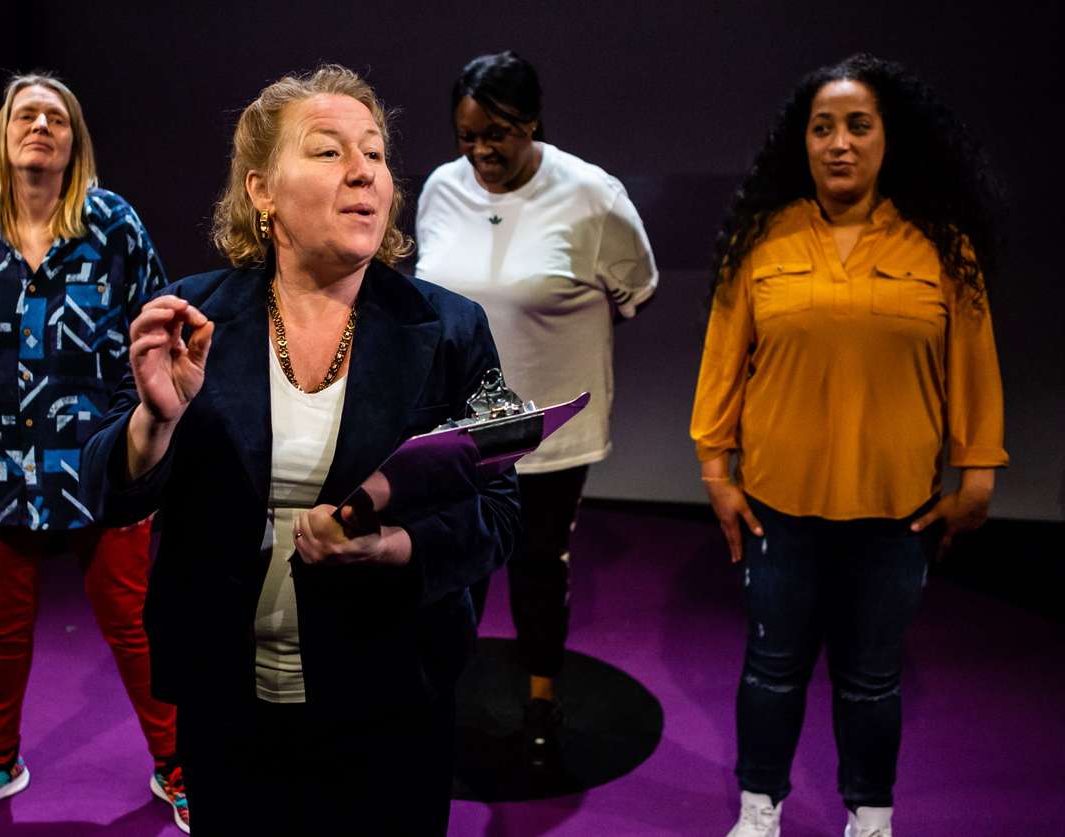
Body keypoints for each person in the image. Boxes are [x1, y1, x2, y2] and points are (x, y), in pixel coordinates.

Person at [79, 65, 520, 836]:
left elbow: (500, 507)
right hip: (228, 702)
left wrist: (398, 546)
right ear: (261, 192)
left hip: (393, 699)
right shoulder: (191, 315)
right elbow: (111, 487)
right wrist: (157, 420)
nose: (364, 172)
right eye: (328, 151)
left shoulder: (452, 329)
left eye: (377, 154)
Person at [691, 54, 1007, 837]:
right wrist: (714, 467)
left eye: (857, 126)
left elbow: (973, 368)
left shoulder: (942, 248)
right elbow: (723, 360)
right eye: (822, 127)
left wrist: (976, 473)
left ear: (886, 139)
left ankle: (870, 814)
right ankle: (758, 808)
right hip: (777, 504)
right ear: (802, 142)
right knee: (771, 671)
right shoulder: (762, 241)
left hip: (895, 510)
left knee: (871, 680)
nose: (839, 144)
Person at [0, 74, 186, 834]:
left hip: (101, 470)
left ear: (74, 141)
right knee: (1, 630)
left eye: (55, 117)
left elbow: (162, 340)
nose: (40, 125)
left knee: (131, 622)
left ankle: (177, 762)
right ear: (4, 135)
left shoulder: (113, 224)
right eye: (25, 114)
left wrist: (155, 451)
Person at [414, 50, 659, 770]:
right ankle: (443, 697)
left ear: (534, 122)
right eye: (467, 135)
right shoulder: (439, 189)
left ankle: (542, 700)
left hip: (552, 425)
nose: (482, 151)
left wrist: (546, 338)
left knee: (537, 565)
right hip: (459, 428)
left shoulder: (593, 195)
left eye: (500, 133)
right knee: (457, 564)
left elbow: (635, 290)